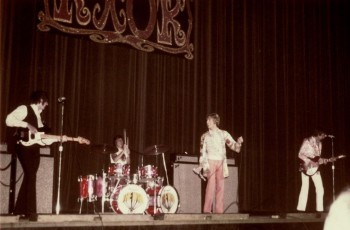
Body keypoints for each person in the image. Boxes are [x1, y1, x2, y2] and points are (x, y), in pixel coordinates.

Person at [5, 90, 50, 221]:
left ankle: (19, 210)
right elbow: (8, 119)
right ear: (41, 100)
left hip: (35, 149)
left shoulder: (39, 118)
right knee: (30, 175)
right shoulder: (24, 108)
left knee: (30, 176)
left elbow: (42, 136)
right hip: (24, 147)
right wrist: (27, 124)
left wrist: (57, 139)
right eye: (45, 102)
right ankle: (31, 211)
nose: (46, 105)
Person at [196, 113, 243, 213]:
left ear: (215, 121)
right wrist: (201, 166)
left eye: (209, 120)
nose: (207, 122)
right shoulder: (204, 136)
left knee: (220, 187)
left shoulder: (223, 134)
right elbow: (202, 152)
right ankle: (207, 211)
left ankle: (219, 212)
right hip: (210, 162)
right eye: (207, 120)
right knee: (210, 186)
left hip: (221, 162)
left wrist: (238, 143)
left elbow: (233, 145)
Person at [296, 129, 327, 212]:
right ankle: (300, 209)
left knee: (320, 188)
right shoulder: (308, 141)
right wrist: (311, 162)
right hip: (305, 166)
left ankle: (320, 210)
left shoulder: (320, 144)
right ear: (318, 134)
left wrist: (324, 160)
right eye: (323, 135)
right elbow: (300, 154)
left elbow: (317, 158)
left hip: (314, 168)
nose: (324, 136)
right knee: (305, 187)